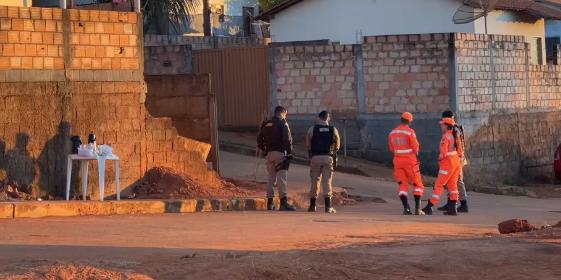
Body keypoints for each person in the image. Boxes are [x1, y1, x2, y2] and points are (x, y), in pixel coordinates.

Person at [257, 106, 297, 211]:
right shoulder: (283, 123)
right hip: (280, 153)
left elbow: (259, 139)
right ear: (282, 113)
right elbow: (288, 140)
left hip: (269, 154)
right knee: (281, 178)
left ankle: (269, 203)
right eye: (285, 114)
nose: (285, 117)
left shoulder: (265, 124)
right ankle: (283, 203)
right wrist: (289, 153)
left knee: (271, 177)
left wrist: (264, 149)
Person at [422, 117, 463, 216]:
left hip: (447, 163)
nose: (441, 126)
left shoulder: (446, 137)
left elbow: (443, 153)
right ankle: (453, 208)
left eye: (442, 124)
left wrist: (440, 160)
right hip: (456, 162)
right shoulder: (456, 136)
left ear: (446, 126)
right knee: (452, 186)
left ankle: (429, 206)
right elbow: (460, 152)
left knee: (439, 185)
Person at [388, 112, 425, 215]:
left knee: (402, 185)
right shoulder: (410, 132)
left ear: (401, 119)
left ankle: (406, 208)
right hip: (410, 161)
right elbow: (416, 147)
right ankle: (418, 209)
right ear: (409, 121)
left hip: (397, 162)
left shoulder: (392, 132)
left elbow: (391, 148)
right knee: (417, 184)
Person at [306, 111, 340, 214]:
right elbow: (337, 145)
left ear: (319, 118)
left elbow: (308, 144)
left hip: (315, 157)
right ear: (328, 118)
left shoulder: (312, 129)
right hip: (327, 157)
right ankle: (328, 207)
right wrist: (333, 153)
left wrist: (312, 153)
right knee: (327, 182)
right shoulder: (333, 129)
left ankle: (312, 206)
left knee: (314, 181)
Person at [436, 110, 469, 213]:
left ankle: (463, 204)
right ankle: (450, 203)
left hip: (456, 159)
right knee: (451, 182)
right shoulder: (454, 127)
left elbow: (459, 146)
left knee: (458, 181)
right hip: (455, 159)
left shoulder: (455, 129)